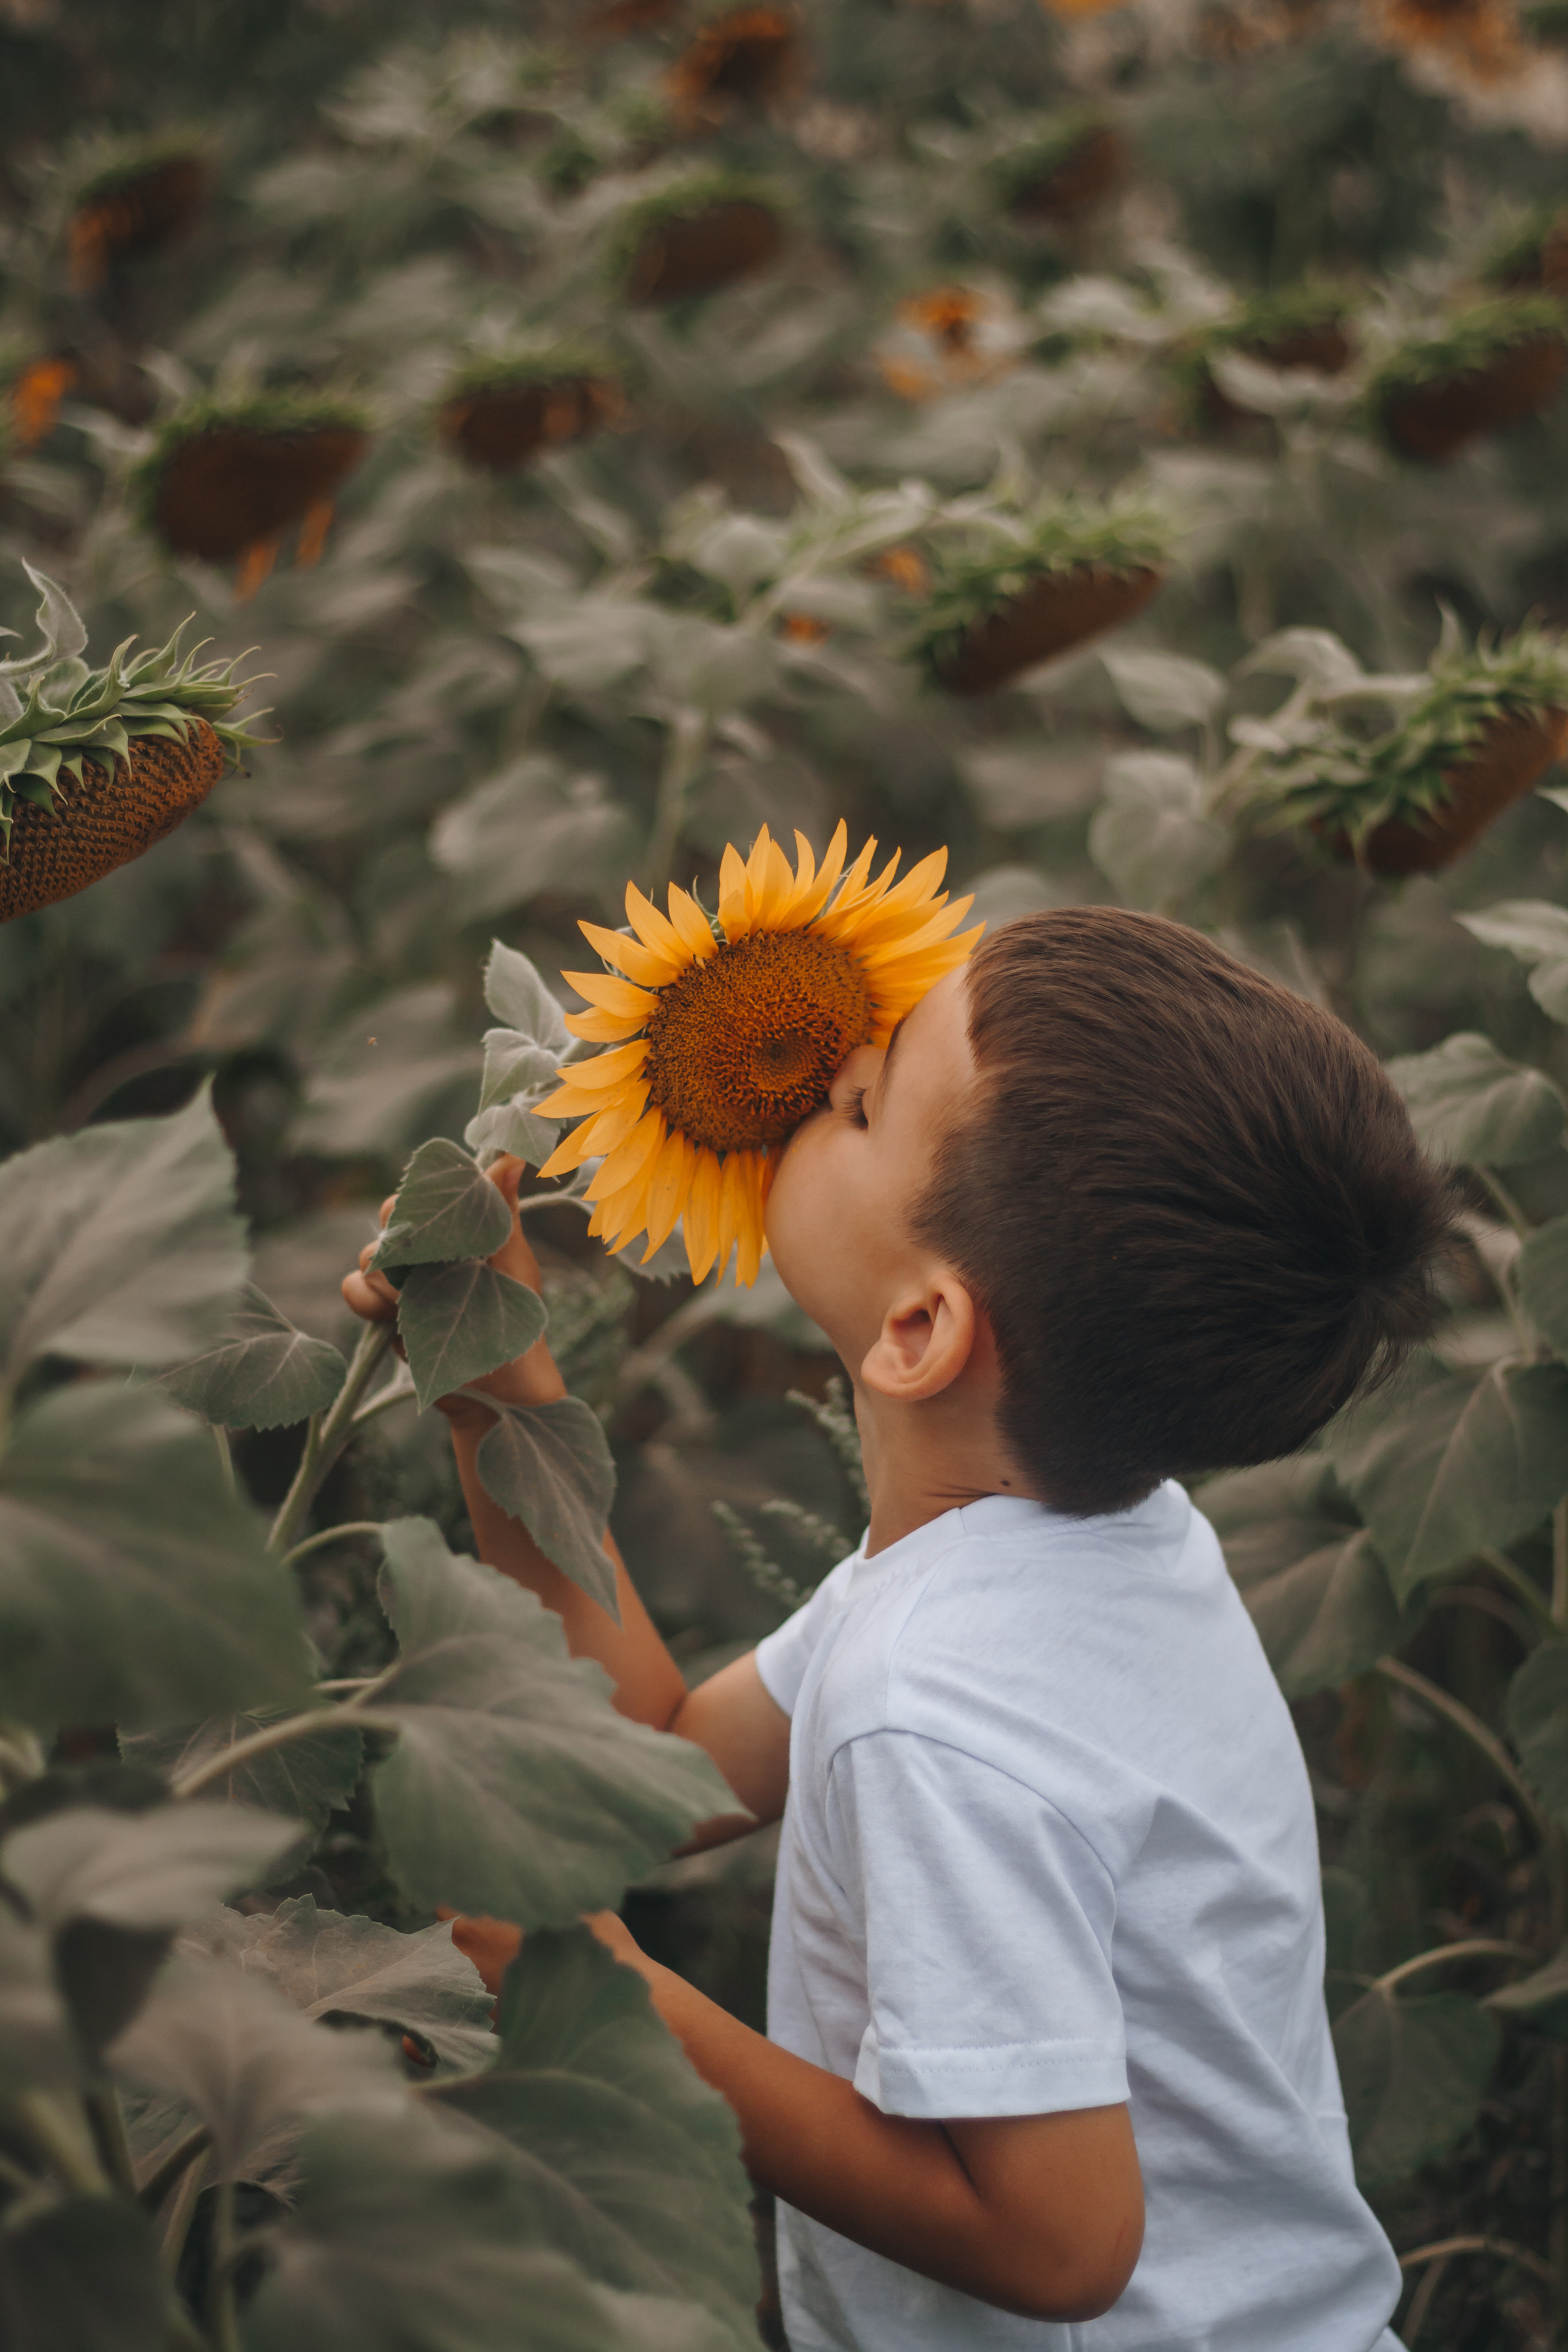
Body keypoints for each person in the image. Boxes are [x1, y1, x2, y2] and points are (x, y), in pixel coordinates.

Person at [344, 906, 1455, 2352]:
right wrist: (499, 1390)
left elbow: (1059, 2246)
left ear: (921, 1329)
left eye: (864, 1102)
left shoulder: (938, 1706)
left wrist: (598, 1997)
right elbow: (648, 1768)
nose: (831, 1066)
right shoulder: (1085, 1545)